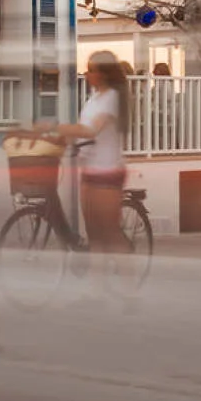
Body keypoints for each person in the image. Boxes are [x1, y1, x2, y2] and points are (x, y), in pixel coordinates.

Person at [32, 50, 131, 288]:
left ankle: (130, 291)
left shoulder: (112, 99)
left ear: (103, 74)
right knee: (95, 237)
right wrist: (58, 137)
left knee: (111, 234)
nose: (87, 74)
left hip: (107, 172)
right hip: (89, 171)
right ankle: (95, 292)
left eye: (91, 70)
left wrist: (57, 126)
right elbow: (80, 129)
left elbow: (90, 131)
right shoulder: (93, 99)